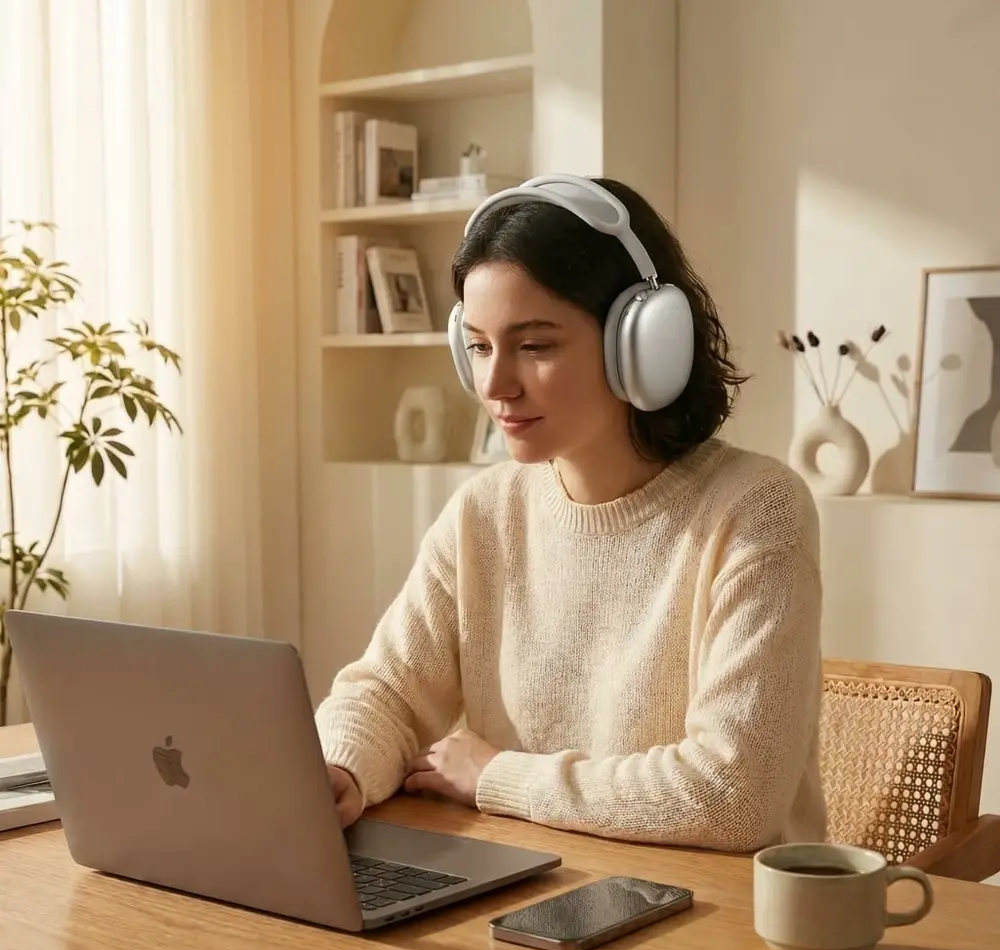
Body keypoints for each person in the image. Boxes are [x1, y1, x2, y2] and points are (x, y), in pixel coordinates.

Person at [314, 174, 827, 852]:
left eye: (534, 345)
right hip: (529, 889)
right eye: (478, 346)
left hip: (717, 924)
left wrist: (498, 776)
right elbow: (387, 693)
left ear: (645, 342)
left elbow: (732, 797)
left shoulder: (756, 510)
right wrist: (342, 767)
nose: (495, 386)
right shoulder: (483, 514)